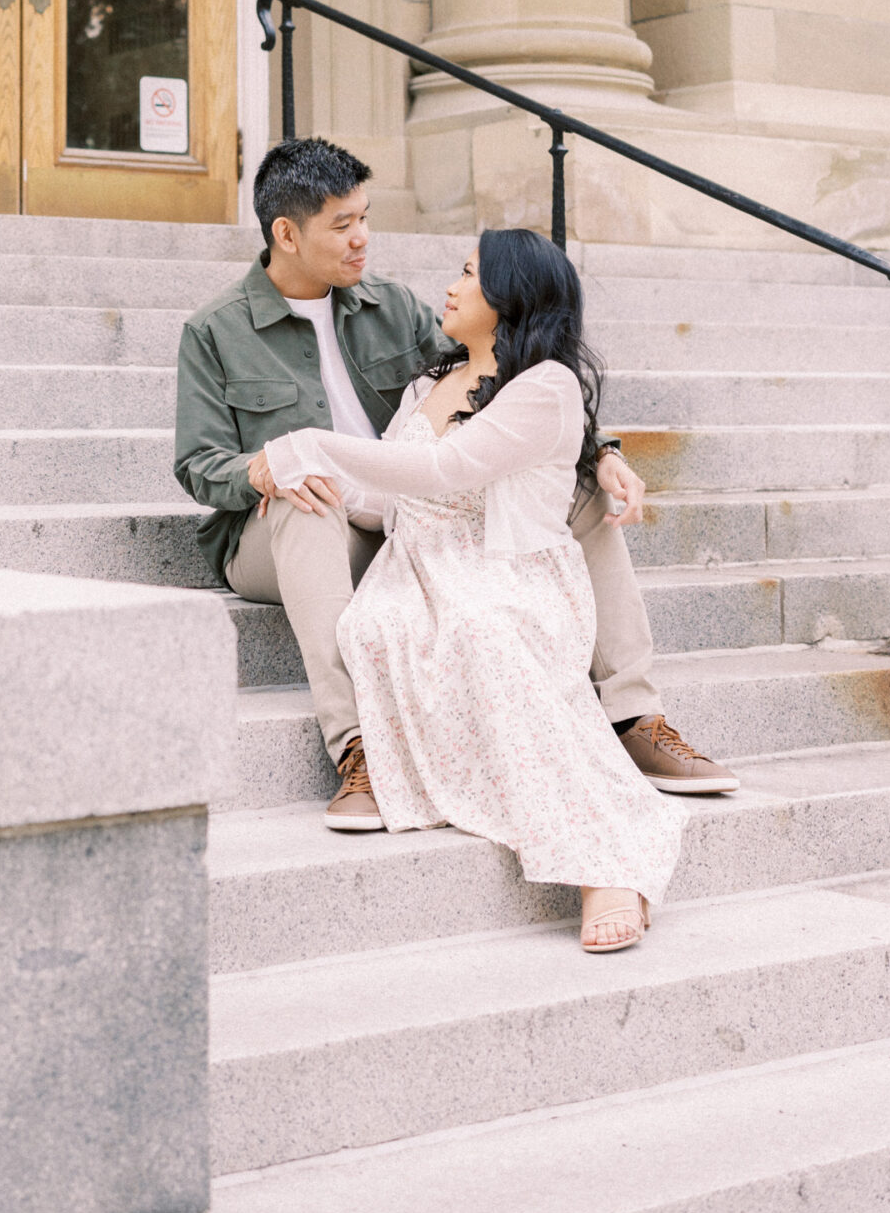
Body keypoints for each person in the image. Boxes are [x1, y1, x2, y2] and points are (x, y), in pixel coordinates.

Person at [173, 137, 737, 834]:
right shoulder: (215, 330)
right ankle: (358, 750)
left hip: (401, 512)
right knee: (307, 495)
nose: (362, 239)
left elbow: (499, 382)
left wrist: (596, 452)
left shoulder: (390, 307)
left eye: (364, 217)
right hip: (276, 534)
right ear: (286, 233)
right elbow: (197, 464)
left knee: (580, 492)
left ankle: (632, 713)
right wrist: (257, 469)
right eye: (342, 226)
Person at [262, 228, 686, 951]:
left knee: (482, 629)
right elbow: (385, 500)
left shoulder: (545, 388)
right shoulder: (426, 386)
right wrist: (318, 488)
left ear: (510, 295)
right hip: (414, 566)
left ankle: (607, 862)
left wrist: (311, 443)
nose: (451, 287)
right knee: (374, 626)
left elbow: (442, 471)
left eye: (468, 275)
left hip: (502, 568)